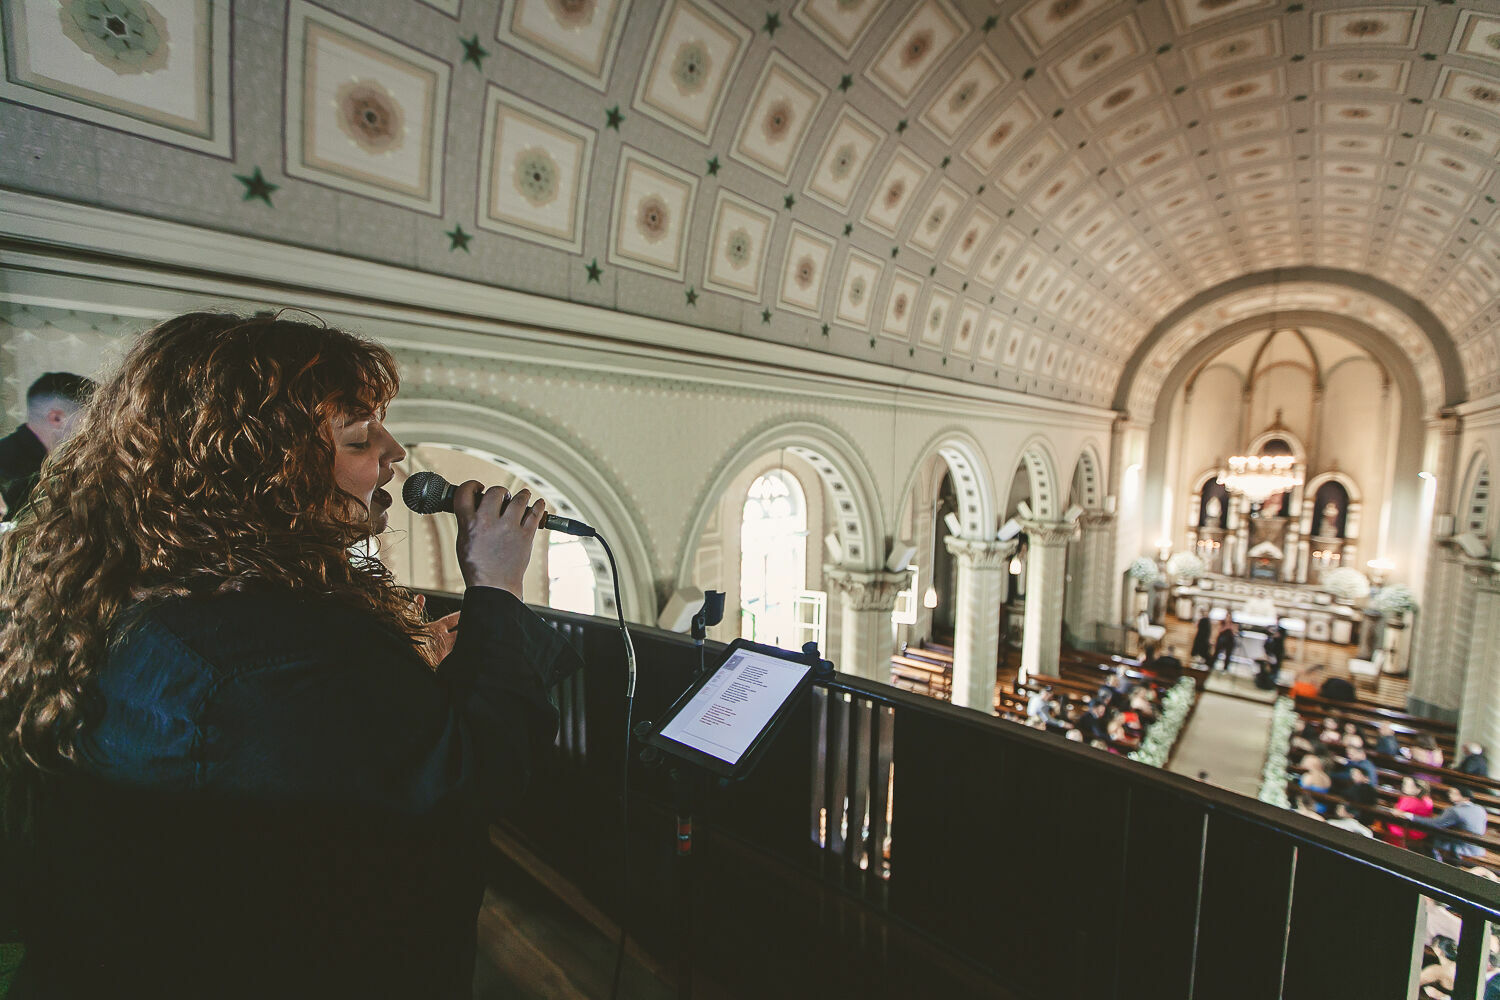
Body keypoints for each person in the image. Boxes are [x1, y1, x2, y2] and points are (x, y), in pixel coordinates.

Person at [0, 313, 584, 997]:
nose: (393, 451)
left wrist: (402, 680)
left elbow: (293, 757)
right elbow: (477, 774)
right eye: (360, 435)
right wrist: (497, 585)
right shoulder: (271, 649)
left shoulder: (149, 591)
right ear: (258, 463)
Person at [0, 371, 95, 522]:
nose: (95, 429)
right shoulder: (10, 472)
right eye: (91, 418)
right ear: (56, 418)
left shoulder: (49, 468)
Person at [1407, 786, 1488, 861]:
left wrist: (1411, 816)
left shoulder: (1454, 811)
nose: (1450, 795)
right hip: (1478, 848)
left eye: (1453, 793)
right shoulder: (1480, 809)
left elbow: (1436, 824)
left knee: (1428, 839)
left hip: (1461, 849)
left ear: (1464, 797)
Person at [1382, 776, 1434, 849]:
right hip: (1419, 833)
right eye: (1404, 783)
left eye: (1407, 785)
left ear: (1418, 789)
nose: (1404, 786)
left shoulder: (1409, 800)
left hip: (1407, 833)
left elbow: (1396, 813)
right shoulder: (1428, 800)